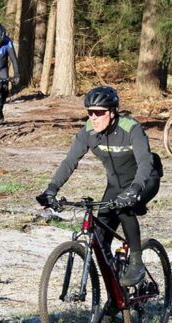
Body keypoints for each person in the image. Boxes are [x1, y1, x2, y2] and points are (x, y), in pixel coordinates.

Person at [36, 87, 163, 287]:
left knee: (123, 207)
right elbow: (70, 161)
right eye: (90, 112)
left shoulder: (131, 128)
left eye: (100, 112)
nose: (94, 117)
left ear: (112, 113)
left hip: (145, 180)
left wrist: (135, 189)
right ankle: (115, 300)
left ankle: (137, 262)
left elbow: (145, 162)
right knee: (100, 242)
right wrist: (51, 189)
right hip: (115, 185)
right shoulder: (88, 131)